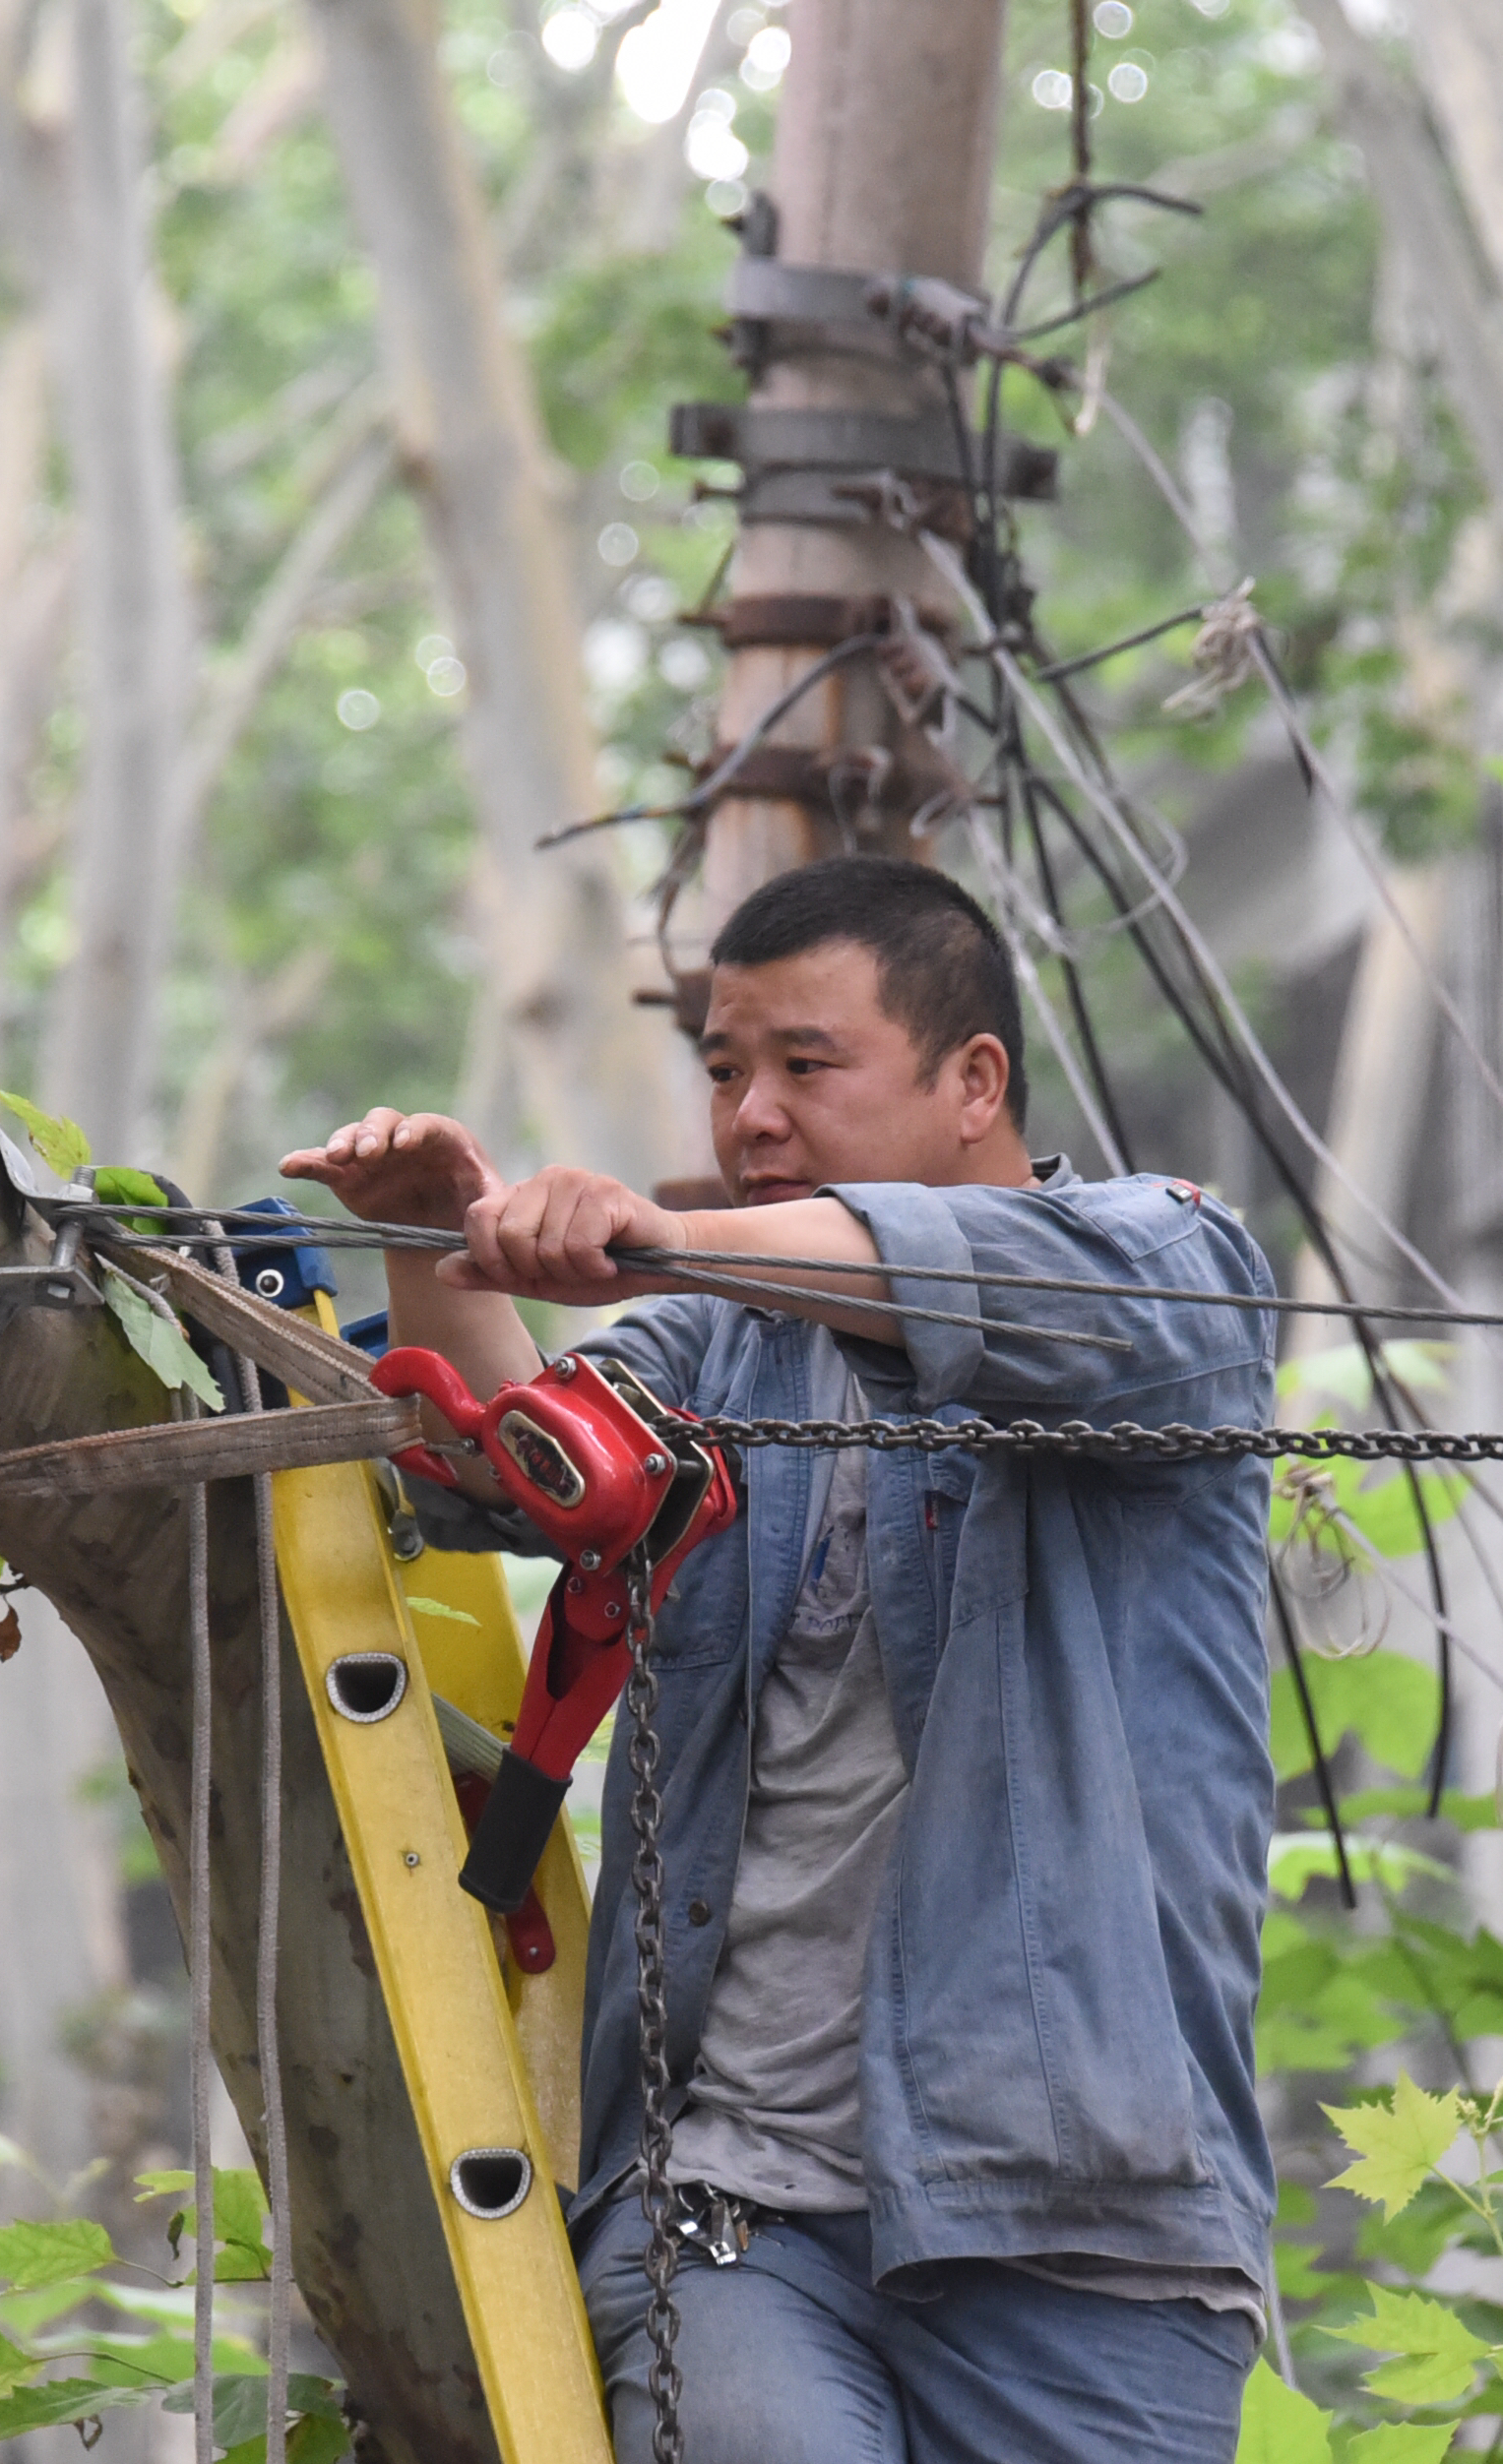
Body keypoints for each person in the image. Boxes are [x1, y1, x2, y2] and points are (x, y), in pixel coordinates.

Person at [280, 856, 1279, 2464]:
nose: (751, 1113)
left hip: (1092, 2234)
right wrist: (426, 1247)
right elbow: (514, 1473)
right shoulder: (719, 1341)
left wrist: (660, 1230)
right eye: (727, 1069)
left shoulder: (1167, 1262)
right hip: (730, 2212)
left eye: (806, 1065)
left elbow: (1020, 1288)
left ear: (975, 1082)